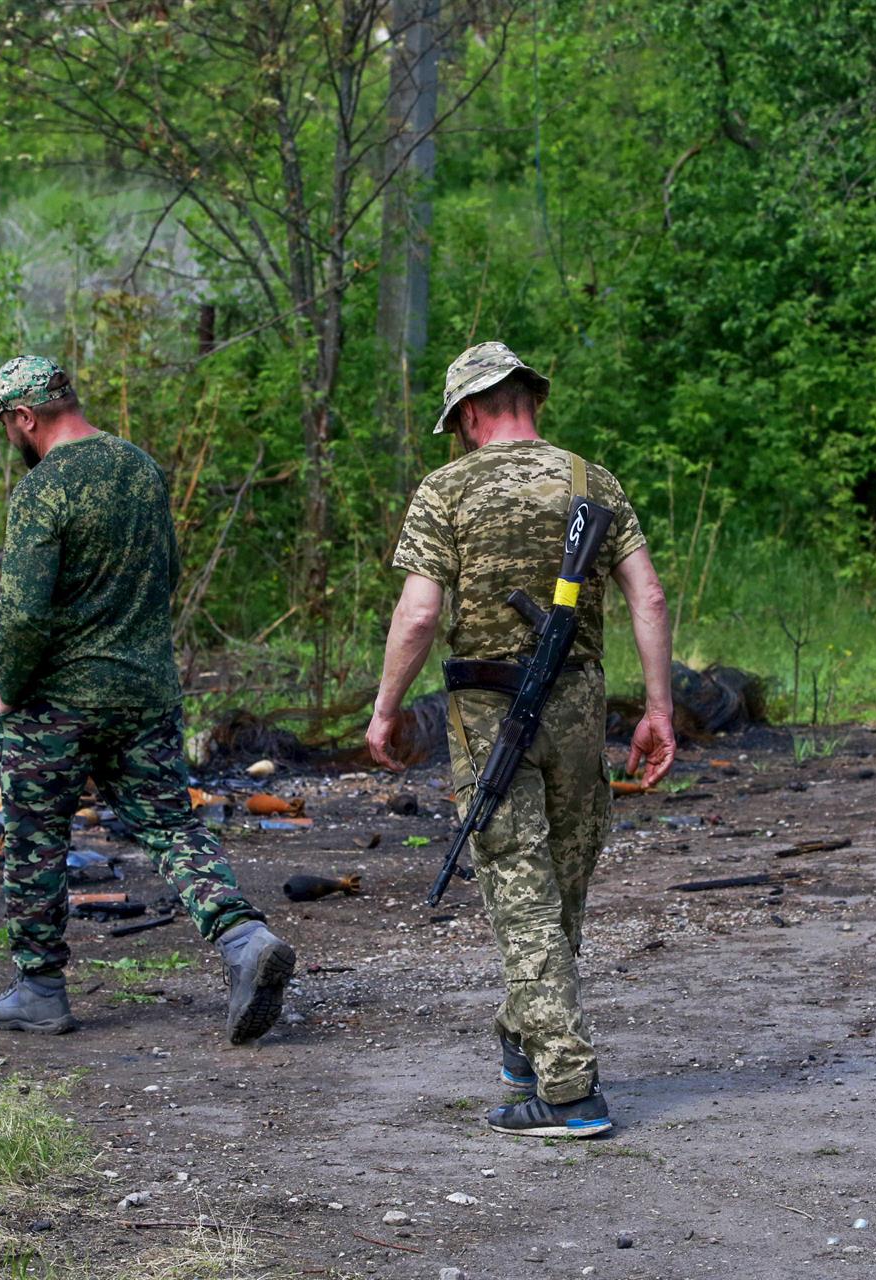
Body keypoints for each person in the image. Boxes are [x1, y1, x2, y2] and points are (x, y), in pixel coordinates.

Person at [366, 341, 675, 1138]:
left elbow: (420, 613)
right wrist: (658, 709)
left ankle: (569, 1089)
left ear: (469, 412)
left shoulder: (445, 489)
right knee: (561, 877)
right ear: (528, 400)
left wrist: (386, 709)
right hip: (578, 704)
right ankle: (522, 1032)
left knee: (521, 885)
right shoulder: (591, 480)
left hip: (486, 711)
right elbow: (649, 593)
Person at [0, 355, 294, 1041]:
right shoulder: (140, 467)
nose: (7, 438)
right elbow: (167, 570)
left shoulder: (41, 491)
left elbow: (24, 614)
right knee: (172, 825)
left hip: (57, 701)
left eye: (5, 425)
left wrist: (8, 691)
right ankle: (242, 939)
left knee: (36, 839)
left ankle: (39, 989)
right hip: (145, 690)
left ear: (25, 418)